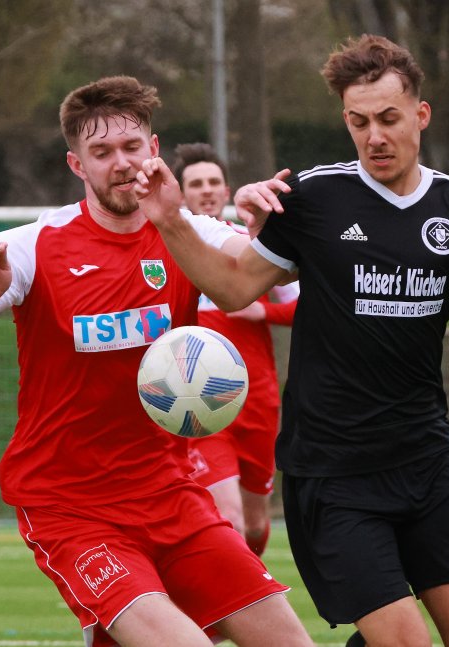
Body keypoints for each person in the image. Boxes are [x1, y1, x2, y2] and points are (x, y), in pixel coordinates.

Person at [133, 34, 449, 647]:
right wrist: (171, 221)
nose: (375, 136)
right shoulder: (314, 198)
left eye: (389, 119)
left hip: (428, 459)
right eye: (358, 121)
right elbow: (234, 290)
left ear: (421, 114)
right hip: (333, 471)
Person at [0, 76, 312, 647]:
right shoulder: (31, 246)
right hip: (72, 508)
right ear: (77, 164)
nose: (121, 164)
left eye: (131, 147)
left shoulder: (185, 230)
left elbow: (261, 276)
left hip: (173, 494)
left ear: (155, 149)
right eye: (101, 152)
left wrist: (270, 223)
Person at [171, 142, 299, 556]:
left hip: (256, 401)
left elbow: (309, 302)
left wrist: (263, 314)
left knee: (256, 524)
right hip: (196, 403)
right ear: (179, 192)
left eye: (213, 182)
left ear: (226, 191)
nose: (206, 190)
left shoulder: (252, 247)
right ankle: (226, 615)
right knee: (230, 519)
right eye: (195, 183)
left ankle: (241, 604)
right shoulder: (167, 250)